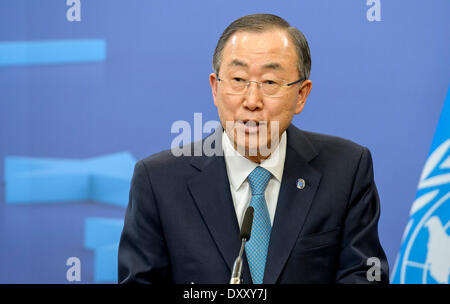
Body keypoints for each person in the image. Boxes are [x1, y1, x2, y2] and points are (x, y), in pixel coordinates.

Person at [118, 13, 389, 284]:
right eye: (238, 79)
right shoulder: (158, 181)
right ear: (215, 88)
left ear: (301, 95)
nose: (252, 100)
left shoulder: (346, 169)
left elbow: (365, 276)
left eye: (270, 82)